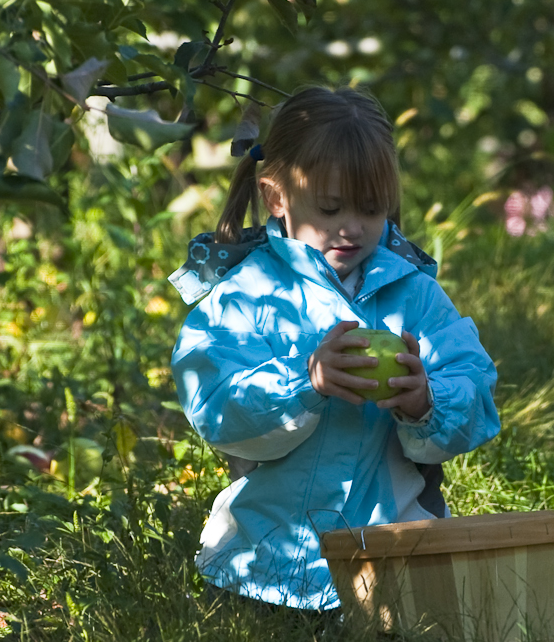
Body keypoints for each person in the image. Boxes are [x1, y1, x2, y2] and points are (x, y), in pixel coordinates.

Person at [170, 86, 501, 610]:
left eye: (371, 210)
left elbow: (475, 385)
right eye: (329, 208)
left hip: (393, 562)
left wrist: (425, 401)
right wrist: (304, 383)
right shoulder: (248, 295)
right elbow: (215, 406)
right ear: (277, 198)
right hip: (264, 563)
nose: (351, 227)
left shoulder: (413, 293)